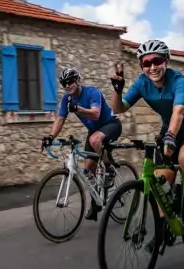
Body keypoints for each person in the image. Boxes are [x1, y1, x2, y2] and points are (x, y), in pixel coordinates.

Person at [108, 39, 184, 218]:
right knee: (160, 183)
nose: (152, 67)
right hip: (170, 130)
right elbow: (119, 109)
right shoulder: (142, 83)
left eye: (157, 61)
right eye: (146, 63)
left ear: (166, 61)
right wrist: (117, 92)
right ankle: (162, 234)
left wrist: (171, 135)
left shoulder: (179, 81)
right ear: (142, 65)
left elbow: (178, 111)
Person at [42, 68, 123, 221]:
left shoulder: (92, 92)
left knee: (94, 140)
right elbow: (60, 119)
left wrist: (78, 109)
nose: (68, 85)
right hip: (94, 130)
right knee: (88, 171)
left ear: (78, 81)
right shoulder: (67, 99)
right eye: (64, 83)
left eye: (71, 81)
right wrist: (50, 137)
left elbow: (95, 113)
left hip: (111, 124)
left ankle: (109, 168)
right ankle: (96, 204)